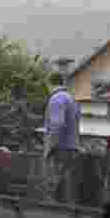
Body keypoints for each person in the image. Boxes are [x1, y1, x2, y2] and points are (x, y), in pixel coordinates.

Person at [43, 71, 81, 204]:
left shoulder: (56, 99)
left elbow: (57, 124)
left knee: (53, 188)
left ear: (50, 84)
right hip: (71, 149)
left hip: (60, 150)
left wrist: (49, 148)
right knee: (66, 190)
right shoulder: (71, 99)